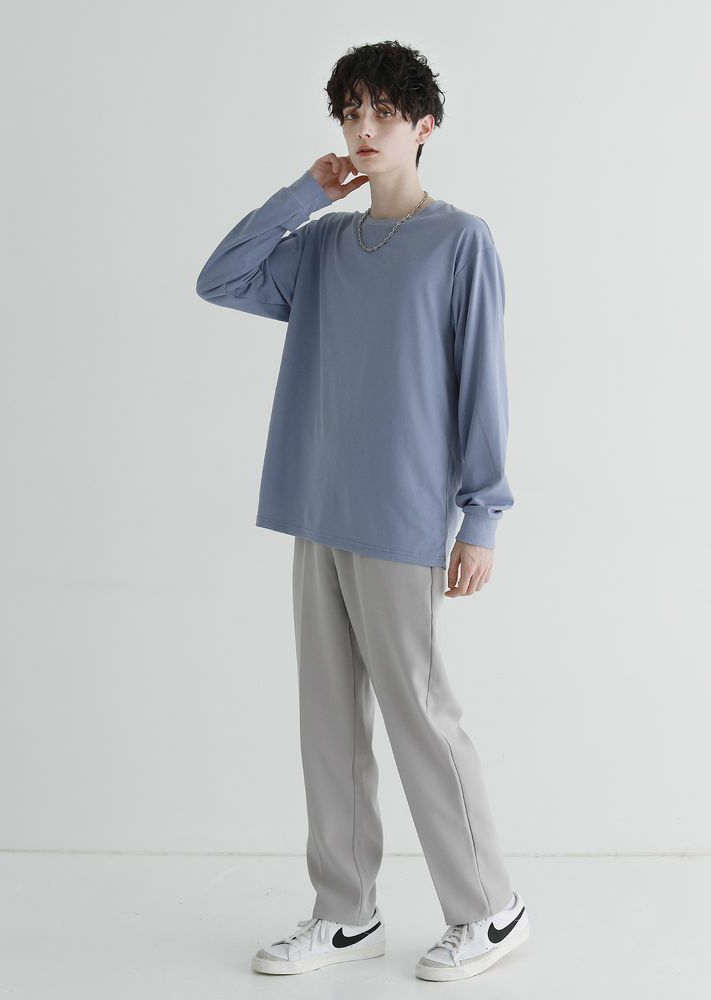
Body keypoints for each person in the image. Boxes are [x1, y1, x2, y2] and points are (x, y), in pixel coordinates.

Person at [196, 40, 529, 982]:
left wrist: (482, 516)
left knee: (420, 713)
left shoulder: (459, 241)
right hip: (317, 505)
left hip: (403, 514)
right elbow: (220, 277)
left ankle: (490, 909)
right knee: (329, 720)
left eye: (383, 112)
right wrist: (306, 194)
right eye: (351, 112)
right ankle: (345, 913)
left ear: (424, 126)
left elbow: (482, 383)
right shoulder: (322, 246)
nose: (364, 128)